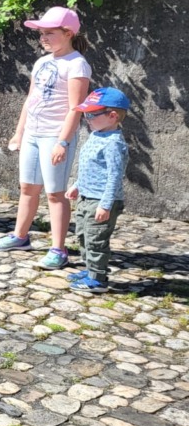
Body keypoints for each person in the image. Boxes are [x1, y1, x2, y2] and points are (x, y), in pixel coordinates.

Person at [0, 7, 92, 269]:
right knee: (27, 188)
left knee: (55, 193)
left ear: (68, 33)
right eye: (41, 33)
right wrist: (19, 131)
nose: (43, 38)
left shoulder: (77, 64)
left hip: (54, 136)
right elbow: (30, 100)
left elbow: (75, 108)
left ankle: (59, 249)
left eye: (49, 33)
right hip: (33, 134)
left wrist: (63, 142)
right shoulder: (42, 62)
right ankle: (20, 236)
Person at [64, 87, 131, 294]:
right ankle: (90, 270)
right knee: (83, 235)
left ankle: (98, 279)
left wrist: (106, 204)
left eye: (92, 115)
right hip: (87, 196)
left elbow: (114, 176)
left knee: (96, 239)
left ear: (112, 116)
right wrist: (77, 185)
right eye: (85, 114)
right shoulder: (96, 135)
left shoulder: (113, 143)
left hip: (101, 200)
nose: (87, 119)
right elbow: (88, 167)